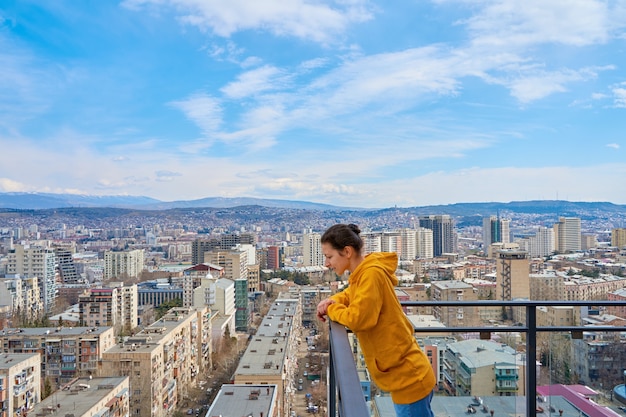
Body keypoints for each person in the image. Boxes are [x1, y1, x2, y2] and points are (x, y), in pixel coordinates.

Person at [316, 223, 436, 417]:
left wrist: (332, 309)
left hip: (410, 378)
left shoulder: (371, 274)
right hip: (405, 376)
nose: (327, 263)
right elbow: (351, 294)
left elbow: (358, 319)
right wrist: (333, 300)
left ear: (346, 251)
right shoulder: (363, 273)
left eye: (329, 257)